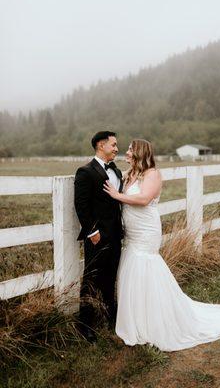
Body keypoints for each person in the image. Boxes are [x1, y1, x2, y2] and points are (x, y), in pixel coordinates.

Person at [103, 139, 220, 352]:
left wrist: (118, 195)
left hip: (146, 230)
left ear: (139, 152)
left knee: (144, 267)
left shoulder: (152, 173)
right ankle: (137, 317)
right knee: (131, 268)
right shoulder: (129, 174)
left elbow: (144, 199)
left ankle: (154, 320)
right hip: (132, 232)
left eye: (129, 149)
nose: (125, 152)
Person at [74, 131, 123, 342]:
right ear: (101, 145)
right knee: (91, 279)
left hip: (115, 235)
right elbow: (81, 205)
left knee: (111, 276)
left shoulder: (117, 171)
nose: (116, 148)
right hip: (98, 236)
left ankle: (109, 316)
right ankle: (84, 324)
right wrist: (92, 233)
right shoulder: (85, 172)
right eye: (113, 144)